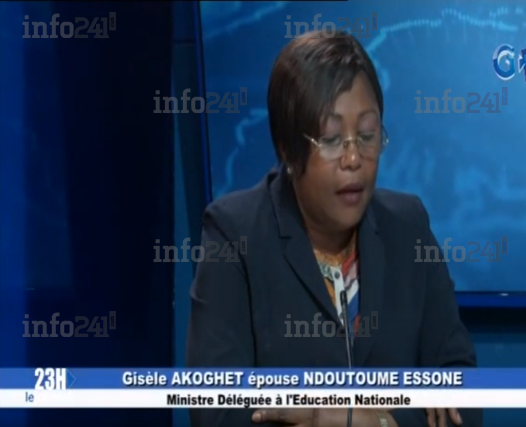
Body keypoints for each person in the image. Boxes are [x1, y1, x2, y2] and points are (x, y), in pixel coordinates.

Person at [187, 29, 483, 427]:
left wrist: (374, 422)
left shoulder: (407, 226)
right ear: (288, 149)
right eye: (330, 140)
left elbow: (463, 398)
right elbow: (217, 412)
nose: (353, 158)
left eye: (367, 135)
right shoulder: (234, 234)